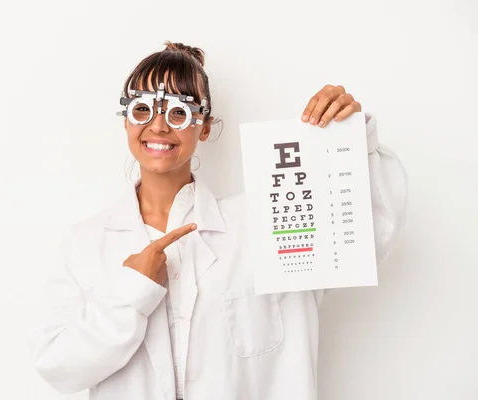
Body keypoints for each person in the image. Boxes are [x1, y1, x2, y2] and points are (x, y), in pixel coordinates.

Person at [27, 41, 407, 400]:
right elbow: (59, 368)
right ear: (126, 120)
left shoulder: (265, 219)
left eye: (179, 112)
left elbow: (370, 236)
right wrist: (132, 294)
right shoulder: (85, 243)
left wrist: (353, 141)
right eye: (143, 109)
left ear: (205, 127)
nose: (158, 127)